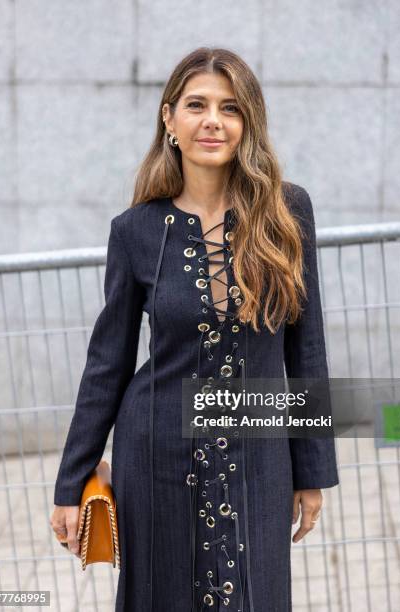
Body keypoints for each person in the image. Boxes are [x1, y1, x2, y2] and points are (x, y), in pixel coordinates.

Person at [50, 46, 339, 612]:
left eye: (230, 108)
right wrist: (70, 482)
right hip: (156, 454)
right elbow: (107, 363)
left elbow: (307, 349)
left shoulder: (287, 212)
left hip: (259, 457)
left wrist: (313, 471)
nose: (213, 120)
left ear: (247, 122)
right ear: (169, 118)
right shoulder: (135, 230)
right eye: (196, 105)